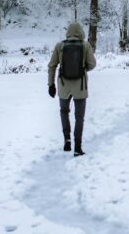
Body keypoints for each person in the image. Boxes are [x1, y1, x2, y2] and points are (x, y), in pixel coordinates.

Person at [47, 22, 96, 156]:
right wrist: (83, 68)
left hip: (63, 85)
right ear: (80, 32)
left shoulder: (60, 46)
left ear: (68, 32)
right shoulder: (85, 45)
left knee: (64, 112)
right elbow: (92, 64)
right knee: (79, 117)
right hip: (80, 86)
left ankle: (67, 139)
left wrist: (51, 85)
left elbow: (52, 66)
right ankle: (78, 147)